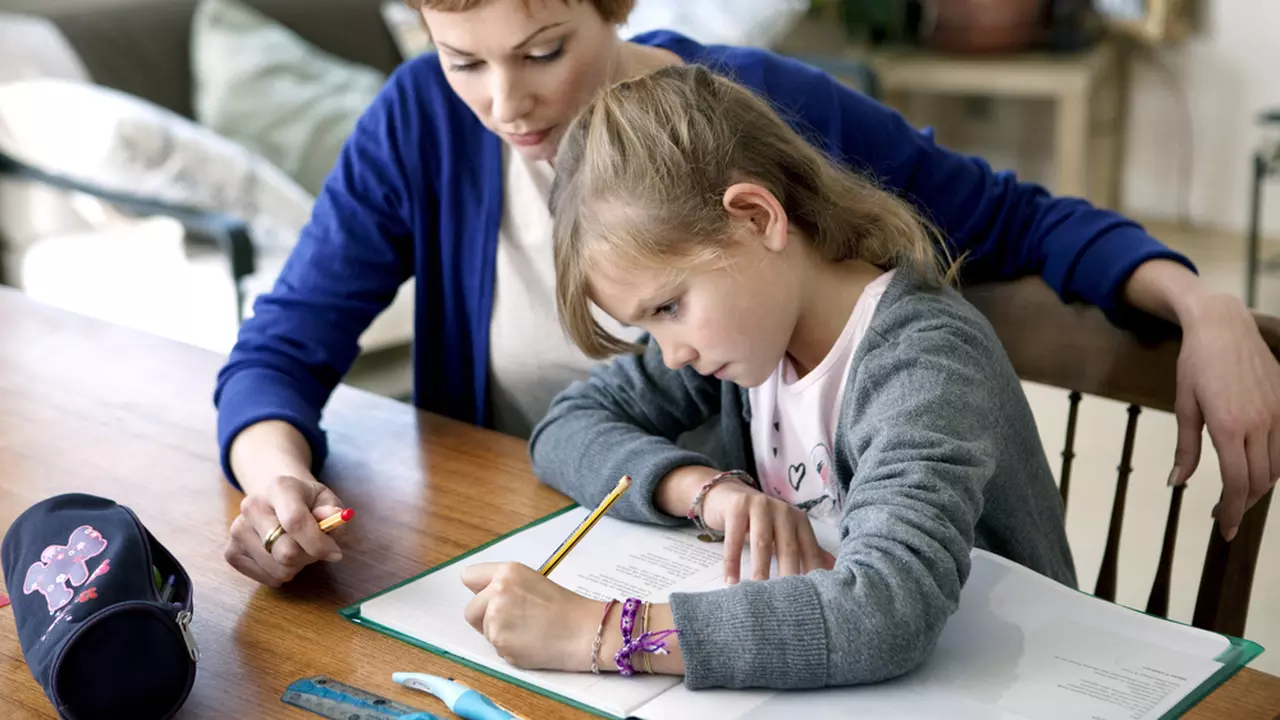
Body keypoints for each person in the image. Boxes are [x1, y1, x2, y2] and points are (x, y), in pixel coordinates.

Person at [215, 0, 1280, 588]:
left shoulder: (744, 114)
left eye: (544, 51)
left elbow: (1011, 219)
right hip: (533, 543)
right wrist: (275, 480)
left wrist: (1203, 306)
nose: (506, 103)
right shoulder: (417, 124)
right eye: (463, 63)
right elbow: (281, 350)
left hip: (745, 586)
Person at [459, 64, 1076, 688]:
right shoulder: (750, 339)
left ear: (756, 218)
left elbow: (887, 611)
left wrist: (602, 631)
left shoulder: (924, 363)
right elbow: (566, 426)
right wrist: (704, 490)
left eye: (669, 307)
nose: (671, 353)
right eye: (651, 323)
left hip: (1014, 682)